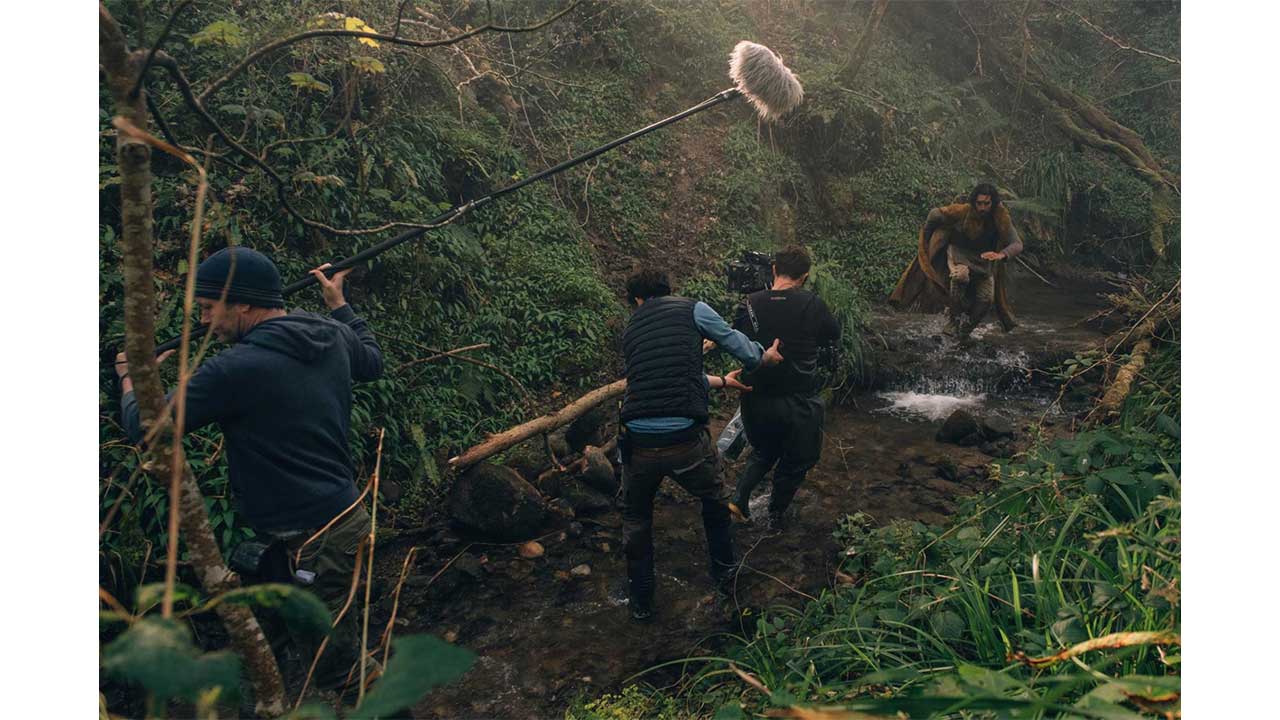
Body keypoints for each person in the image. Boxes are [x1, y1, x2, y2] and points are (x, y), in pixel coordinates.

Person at [116, 246, 383, 691]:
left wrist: (131, 377)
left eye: (207, 308)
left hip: (313, 542)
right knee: (268, 657)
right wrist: (339, 306)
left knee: (339, 670)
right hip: (336, 525)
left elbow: (147, 428)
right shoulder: (328, 334)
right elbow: (372, 363)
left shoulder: (234, 368)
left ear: (241, 302)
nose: (203, 321)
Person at [618, 268, 782, 622]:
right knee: (713, 502)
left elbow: (664, 379)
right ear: (668, 289)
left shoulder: (631, 328)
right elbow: (739, 346)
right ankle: (725, 580)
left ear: (637, 299)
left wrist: (722, 382)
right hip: (684, 441)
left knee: (636, 519)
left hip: (638, 443)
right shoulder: (691, 308)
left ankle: (641, 603)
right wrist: (762, 357)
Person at [728, 246, 840, 531]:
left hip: (756, 398)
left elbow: (736, 341)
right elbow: (832, 334)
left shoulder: (749, 304)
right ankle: (776, 515)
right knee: (800, 457)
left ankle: (738, 499)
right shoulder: (812, 304)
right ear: (804, 276)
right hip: (798, 399)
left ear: (774, 269)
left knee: (764, 451)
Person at [888, 183, 1023, 341]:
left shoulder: (1000, 217)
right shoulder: (963, 211)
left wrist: (1002, 254)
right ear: (974, 202)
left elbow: (1017, 244)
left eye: (986, 203)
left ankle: (965, 331)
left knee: (987, 299)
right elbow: (934, 214)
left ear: (993, 203)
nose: (982, 208)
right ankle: (954, 320)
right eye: (979, 203)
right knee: (960, 277)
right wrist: (926, 238)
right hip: (959, 256)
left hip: (984, 263)